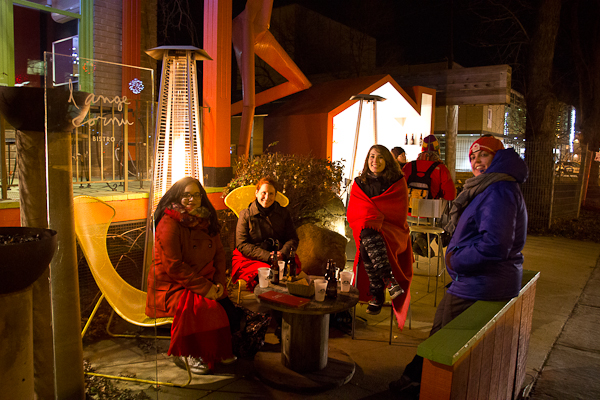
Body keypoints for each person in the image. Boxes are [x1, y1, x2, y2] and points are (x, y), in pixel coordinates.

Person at [389, 135, 528, 395]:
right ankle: (417, 375)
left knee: (443, 334)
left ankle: (425, 383)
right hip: (478, 278)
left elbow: (495, 244)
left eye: (483, 155)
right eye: (473, 156)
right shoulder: (492, 186)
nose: (476, 160)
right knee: (441, 326)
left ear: (496, 157)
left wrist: (455, 259)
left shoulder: (498, 189)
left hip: (481, 281)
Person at [145, 177, 239, 375]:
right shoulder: (169, 222)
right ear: (178, 196)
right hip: (171, 286)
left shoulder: (206, 221)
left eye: (196, 194)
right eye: (186, 194)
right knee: (206, 308)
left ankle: (214, 350)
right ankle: (188, 352)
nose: (192, 199)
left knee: (230, 311)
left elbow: (220, 254)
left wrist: (219, 282)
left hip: (202, 280)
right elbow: (174, 266)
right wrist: (207, 288)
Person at [347, 145, 413, 323]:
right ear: (367, 160)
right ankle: (388, 281)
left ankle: (377, 292)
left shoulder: (397, 181)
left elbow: (398, 212)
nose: (375, 161)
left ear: (387, 161)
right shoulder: (360, 182)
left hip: (392, 229)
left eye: (380, 157)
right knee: (368, 233)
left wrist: (376, 218)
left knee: (366, 241)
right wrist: (372, 218)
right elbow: (354, 211)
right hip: (367, 228)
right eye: (372, 157)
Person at [231, 176, 300, 291]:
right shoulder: (245, 215)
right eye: (264, 193)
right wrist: (268, 256)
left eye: (271, 194)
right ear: (257, 193)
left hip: (279, 256)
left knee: (289, 271)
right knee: (267, 275)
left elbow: (292, 238)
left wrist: (282, 253)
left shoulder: (283, 213)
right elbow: (242, 244)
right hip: (252, 258)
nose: (267, 197)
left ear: (275, 195)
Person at [402, 134, 456, 256]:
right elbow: (450, 196)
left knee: (417, 223)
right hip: (430, 218)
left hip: (408, 217)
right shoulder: (441, 168)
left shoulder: (409, 166)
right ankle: (425, 238)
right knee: (446, 214)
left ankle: (414, 240)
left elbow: (399, 189)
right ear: (438, 150)